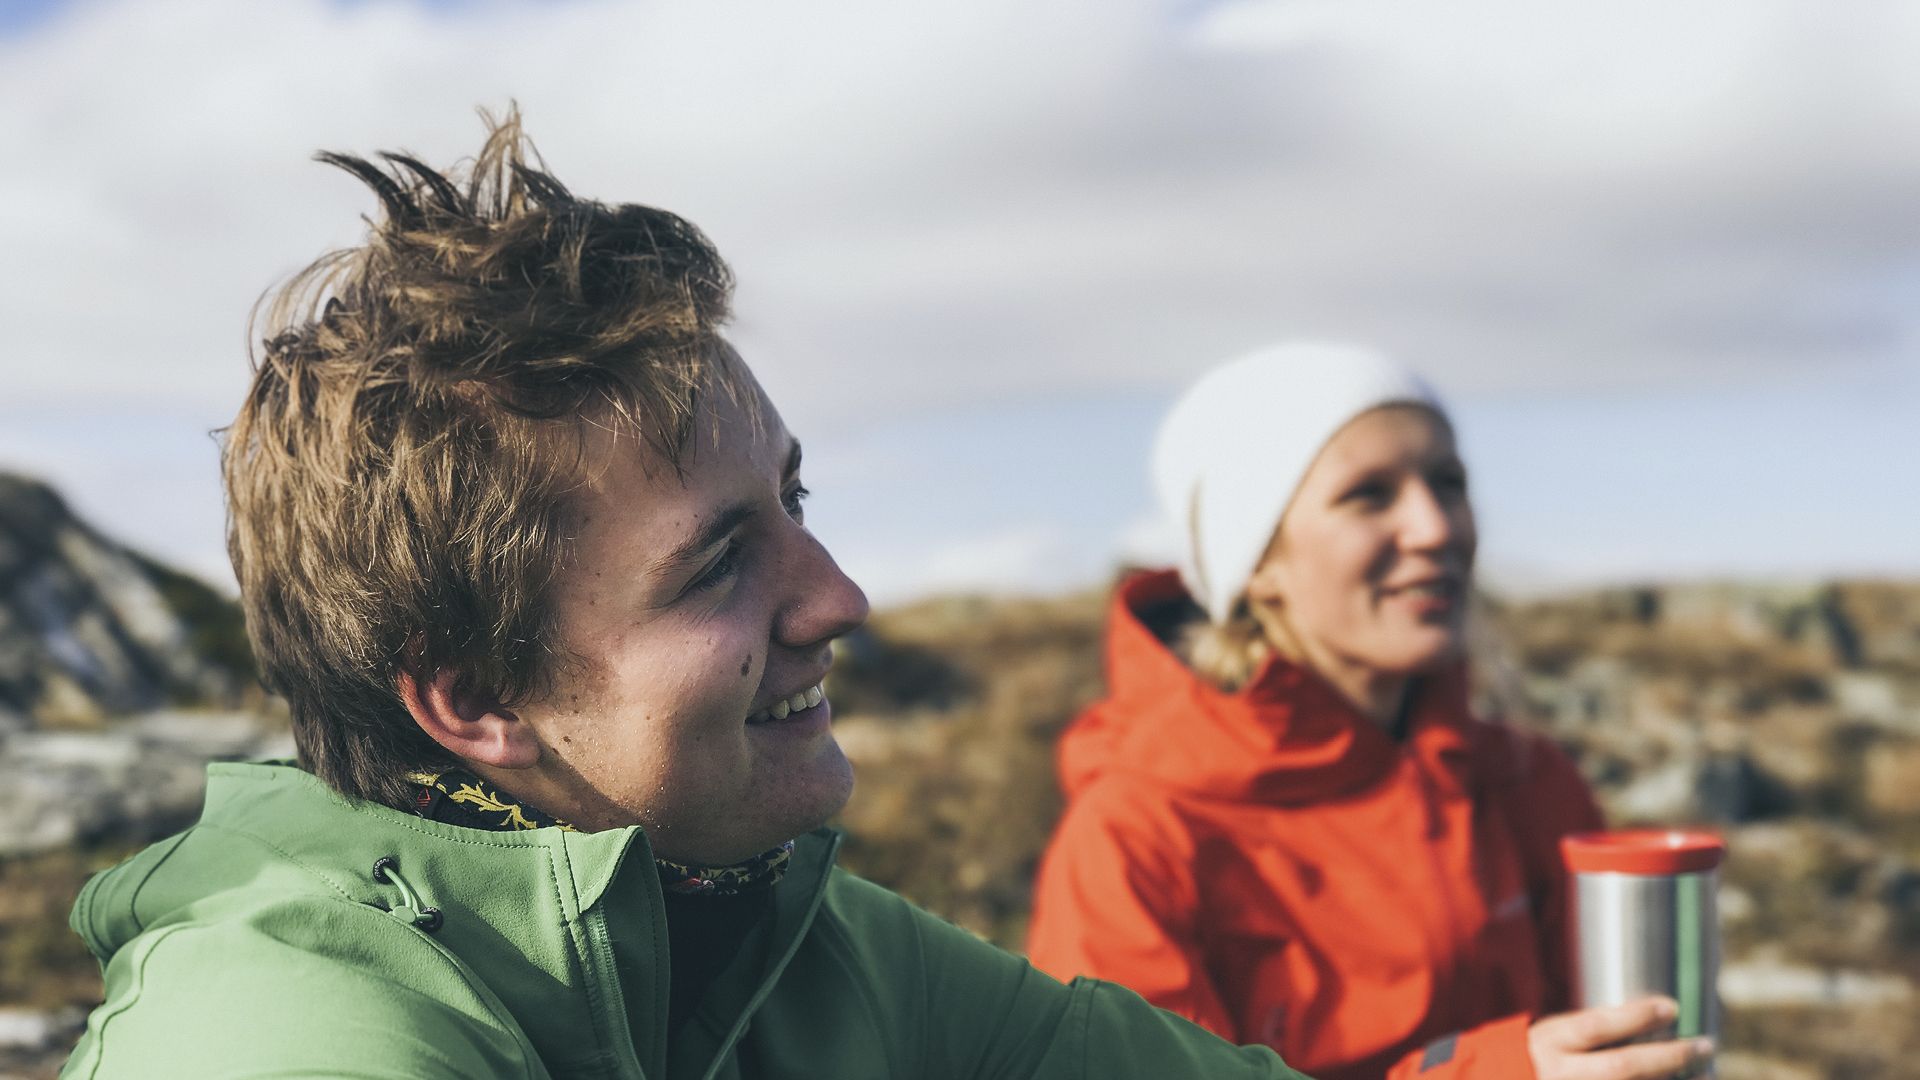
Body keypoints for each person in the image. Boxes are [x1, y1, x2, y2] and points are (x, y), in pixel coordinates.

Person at [58, 113, 1310, 1080]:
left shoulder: (790, 934)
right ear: (477, 698)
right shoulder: (284, 1036)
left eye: (795, 501)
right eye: (716, 563)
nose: (839, 598)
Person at [1024, 344, 1716, 1080]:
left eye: (1448, 483)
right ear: (1255, 562)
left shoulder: (1526, 779)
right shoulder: (1138, 837)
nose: (1435, 527)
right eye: (1369, 495)